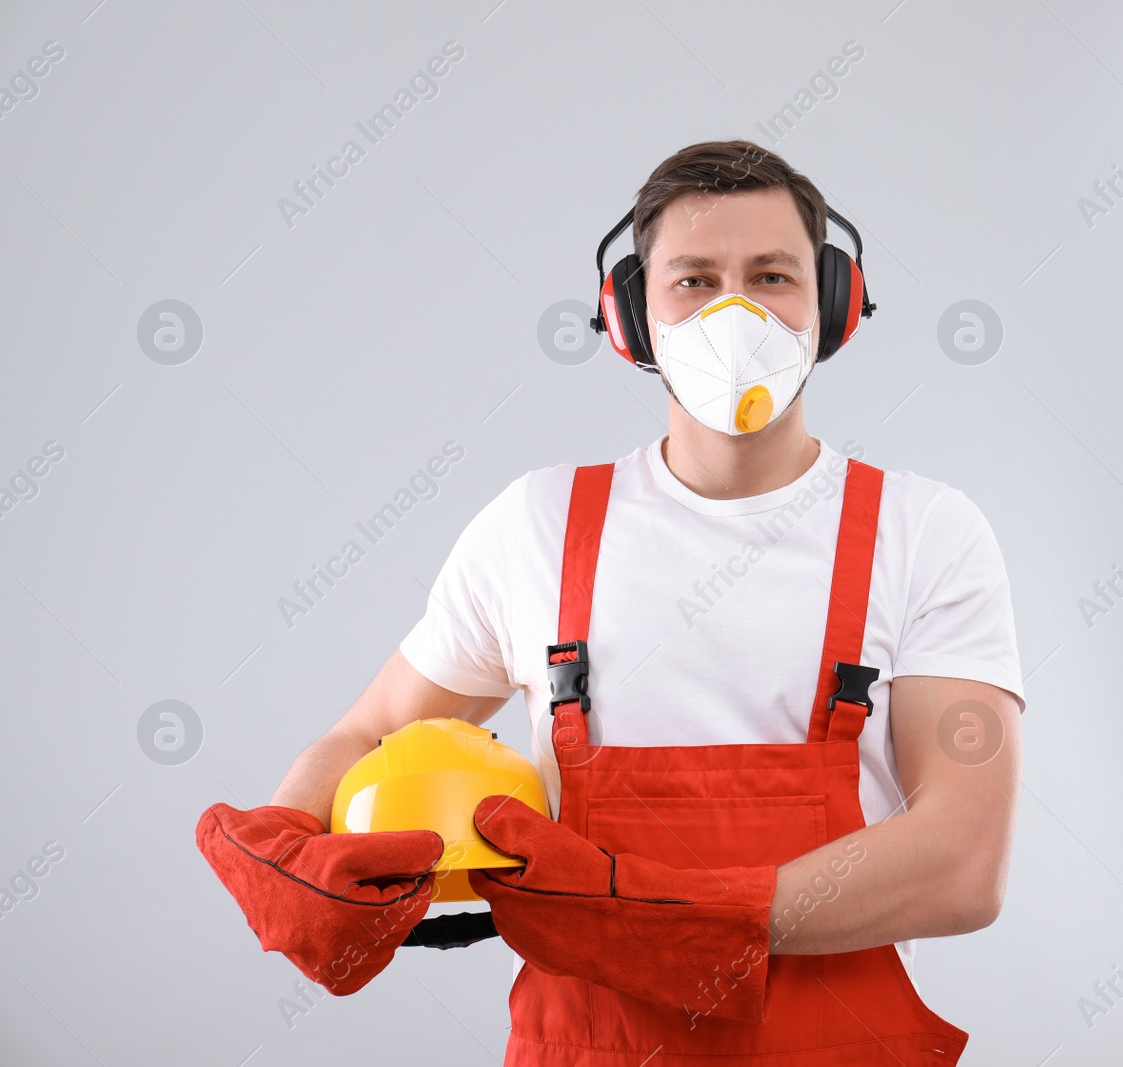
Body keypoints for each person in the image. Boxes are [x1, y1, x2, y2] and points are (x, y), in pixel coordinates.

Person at [197, 140, 1025, 1065]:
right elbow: (372, 733)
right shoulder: (539, 526)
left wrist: (667, 919)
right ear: (632, 316)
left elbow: (963, 861)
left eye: (773, 275)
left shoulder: (926, 532)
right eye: (695, 280)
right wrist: (289, 842)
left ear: (833, 304)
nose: (736, 310)